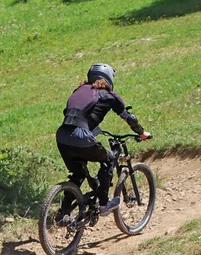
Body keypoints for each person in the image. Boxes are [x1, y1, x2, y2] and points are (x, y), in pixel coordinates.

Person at [56, 63, 151, 217]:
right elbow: (129, 118)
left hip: (62, 136)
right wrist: (141, 132)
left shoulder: (79, 91)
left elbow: (76, 115)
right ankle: (104, 205)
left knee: (78, 174)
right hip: (81, 137)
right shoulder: (109, 96)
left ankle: (63, 213)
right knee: (109, 160)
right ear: (108, 79)